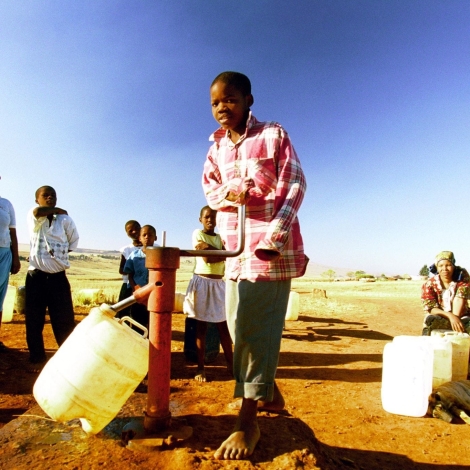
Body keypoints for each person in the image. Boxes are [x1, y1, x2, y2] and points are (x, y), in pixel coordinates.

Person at [202, 71, 307, 460]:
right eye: (214, 102)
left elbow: (294, 184)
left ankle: (249, 421)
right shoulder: (215, 148)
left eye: (229, 99)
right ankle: (269, 392)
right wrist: (234, 191)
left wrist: (274, 239)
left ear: (249, 100)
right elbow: (211, 192)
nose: (221, 107)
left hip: (268, 253)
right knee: (236, 325)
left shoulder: (273, 135)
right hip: (234, 253)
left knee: (250, 331)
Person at [25, 185, 79, 369]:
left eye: (53, 196)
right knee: (34, 319)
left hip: (58, 278)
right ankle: (37, 357)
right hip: (36, 277)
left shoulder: (65, 220)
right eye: (45, 195)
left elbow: (73, 242)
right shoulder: (34, 216)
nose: (49, 198)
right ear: (37, 199)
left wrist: (57, 256)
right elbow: (39, 211)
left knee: (64, 320)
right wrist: (56, 209)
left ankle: (68, 357)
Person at [183, 205, 233, 382]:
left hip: (219, 283)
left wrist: (213, 252)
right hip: (202, 283)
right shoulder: (198, 233)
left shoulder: (222, 238)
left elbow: (212, 253)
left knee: (223, 327)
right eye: (207, 217)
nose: (210, 220)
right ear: (200, 219)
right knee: (201, 327)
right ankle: (201, 368)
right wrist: (224, 254)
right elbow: (206, 257)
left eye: (213, 217)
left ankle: (231, 364)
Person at [421, 251, 470, 335]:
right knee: (430, 321)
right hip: (441, 316)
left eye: (448, 265)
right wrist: (450, 316)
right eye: (441, 266)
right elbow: (431, 308)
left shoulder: (462, 277)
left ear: (454, 266)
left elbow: (459, 298)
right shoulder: (429, 284)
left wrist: (455, 319)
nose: (444, 269)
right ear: (436, 267)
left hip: (461, 316)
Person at [0, 178, 21, 351]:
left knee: (0, 297)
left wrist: (15, 258)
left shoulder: (6, 204)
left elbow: (12, 232)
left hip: (4, 254)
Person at [123, 224, 157, 329]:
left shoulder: (159, 255)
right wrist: (136, 288)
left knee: (153, 323)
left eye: (150, 235)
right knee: (137, 323)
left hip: (153, 294)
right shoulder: (134, 255)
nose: (147, 237)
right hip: (138, 294)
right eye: (144, 235)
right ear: (140, 238)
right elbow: (130, 273)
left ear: (155, 238)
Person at [117, 220, 142, 318]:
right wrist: (134, 270)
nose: (134, 232)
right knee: (124, 313)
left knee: (141, 314)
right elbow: (121, 270)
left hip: (146, 285)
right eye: (130, 230)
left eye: (136, 228)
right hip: (128, 285)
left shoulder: (153, 247)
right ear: (127, 234)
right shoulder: (126, 250)